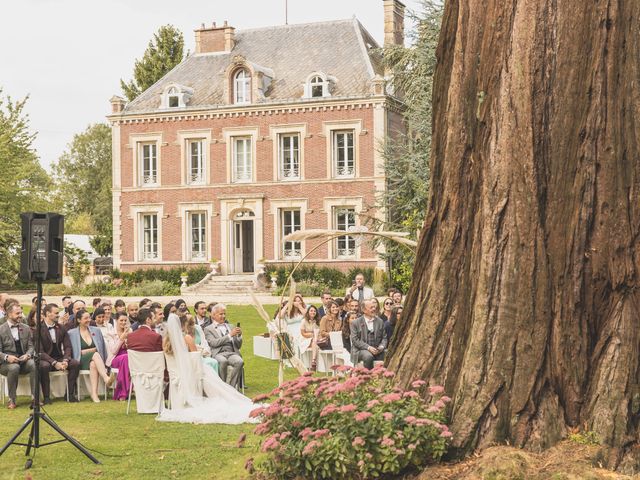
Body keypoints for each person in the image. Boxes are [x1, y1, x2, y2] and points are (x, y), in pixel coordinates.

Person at [157, 312, 258, 424]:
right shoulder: (186, 338)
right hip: (190, 374)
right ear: (182, 325)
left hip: (175, 375)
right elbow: (195, 359)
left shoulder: (165, 341)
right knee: (209, 373)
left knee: (208, 371)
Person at [39, 303, 80, 403]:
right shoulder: (38, 329)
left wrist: (66, 359)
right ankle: (47, 397)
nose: (58, 315)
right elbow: (39, 351)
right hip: (45, 359)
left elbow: (67, 346)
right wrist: (54, 363)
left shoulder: (61, 328)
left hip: (59, 357)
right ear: (48, 313)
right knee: (43, 366)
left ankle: (69, 395)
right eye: (56, 313)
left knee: (75, 363)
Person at [68, 309, 113, 403]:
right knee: (95, 354)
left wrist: (104, 361)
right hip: (80, 360)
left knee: (93, 364)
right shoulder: (71, 333)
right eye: (86, 318)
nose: (89, 320)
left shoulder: (96, 330)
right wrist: (92, 350)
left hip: (95, 361)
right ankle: (105, 378)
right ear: (79, 320)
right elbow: (73, 351)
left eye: (89, 317)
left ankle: (94, 394)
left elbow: (102, 348)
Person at [0, 303, 36, 409]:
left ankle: (35, 398)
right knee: (14, 367)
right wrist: (7, 357)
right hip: (5, 364)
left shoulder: (26, 328)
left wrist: (28, 355)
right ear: (9, 314)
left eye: (21, 312)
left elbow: (31, 346)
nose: (20, 315)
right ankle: (12, 399)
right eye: (17, 313)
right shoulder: (1, 329)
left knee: (33, 364)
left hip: (23, 360)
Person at [204, 304, 244, 389]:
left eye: (224, 314)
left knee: (239, 361)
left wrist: (239, 336)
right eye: (221, 314)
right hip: (218, 353)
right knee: (223, 361)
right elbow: (214, 343)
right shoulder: (208, 329)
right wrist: (229, 335)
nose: (224, 316)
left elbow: (238, 345)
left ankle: (231, 388)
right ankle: (223, 388)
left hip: (231, 352)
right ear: (213, 315)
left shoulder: (230, 326)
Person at [350, 299, 388, 369]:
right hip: (361, 350)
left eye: (374, 307)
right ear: (364, 310)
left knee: (389, 353)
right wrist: (369, 348)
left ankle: (385, 377)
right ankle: (368, 378)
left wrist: (381, 347)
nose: (374, 309)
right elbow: (355, 340)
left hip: (377, 349)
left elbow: (384, 338)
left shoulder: (380, 321)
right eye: (371, 307)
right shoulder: (355, 323)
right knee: (368, 357)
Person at [107, 312, 132, 401]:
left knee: (127, 358)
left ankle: (123, 392)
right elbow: (113, 350)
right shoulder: (110, 333)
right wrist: (121, 338)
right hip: (115, 358)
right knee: (125, 358)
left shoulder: (130, 331)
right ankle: (123, 392)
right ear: (116, 321)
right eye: (121, 320)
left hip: (129, 356)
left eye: (125, 320)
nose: (123, 322)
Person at [299, 305, 319, 371]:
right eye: (311, 311)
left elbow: (318, 331)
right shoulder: (304, 321)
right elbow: (303, 333)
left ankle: (314, 362)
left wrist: (314, 335)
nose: (313, 312)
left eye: (314, 311)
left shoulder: (317, 321)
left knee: (315, 341)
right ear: (308, 312)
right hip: (305, 338)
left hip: (315, 339)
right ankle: (313, 361)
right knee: (314, 341)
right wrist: (311, 335)